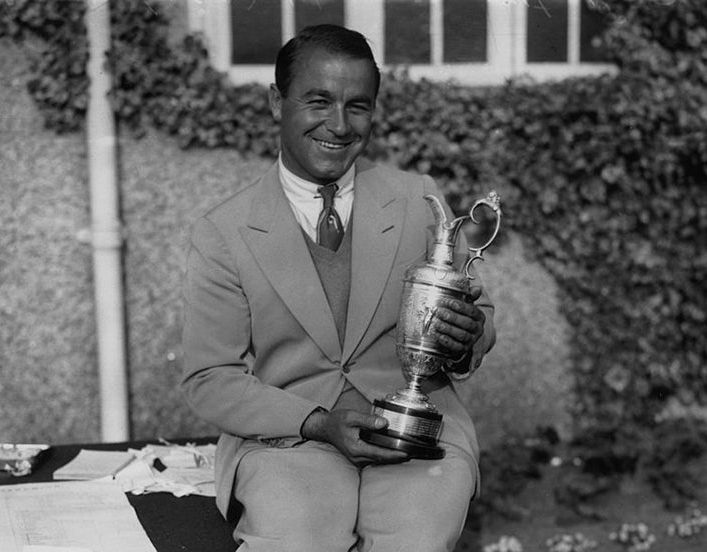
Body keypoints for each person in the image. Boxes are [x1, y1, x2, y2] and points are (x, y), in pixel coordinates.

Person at [181, 24, 496, 552]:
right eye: (318, 101)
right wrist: (317, 423)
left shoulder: (418, 200)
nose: (339, 124)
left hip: (414, 437)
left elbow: (476, 312)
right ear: (276, 102)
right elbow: (209, 377)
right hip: (287, 439)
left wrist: (468, 334)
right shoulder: (224, 231)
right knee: (295, 541)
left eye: (358, 106)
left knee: (414, 541)